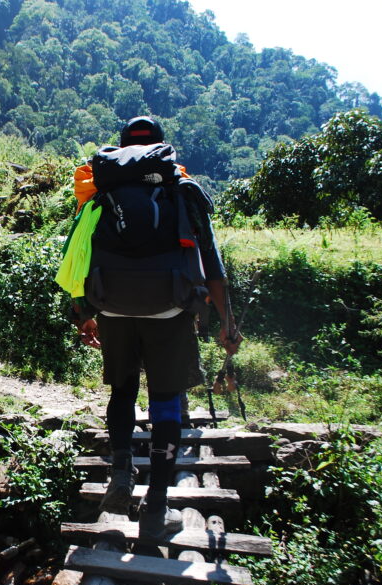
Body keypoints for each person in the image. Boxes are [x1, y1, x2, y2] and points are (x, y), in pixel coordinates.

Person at [63, 116, 241, 538]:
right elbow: (211, 262)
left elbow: (77, 254)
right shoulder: (181, 187)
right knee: (165, 400)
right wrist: (227, 321)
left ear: (121, 147)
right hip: (169, 310)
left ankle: (122, 470)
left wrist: (83, 312)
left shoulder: (101, 189)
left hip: (113, 306)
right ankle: (157, 499)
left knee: (122, 391)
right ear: (161, 148)